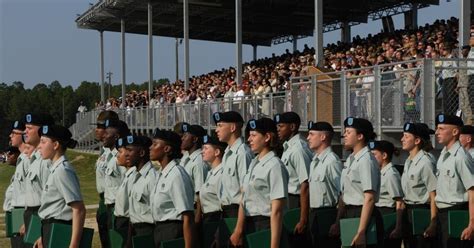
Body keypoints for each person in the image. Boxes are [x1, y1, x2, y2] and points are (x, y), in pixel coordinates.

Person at [230, 118, 289, 248]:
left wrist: (274, 246)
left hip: (266, 226)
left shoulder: (275, 166)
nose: (249, 139)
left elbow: (277, 210)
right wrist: (238, 230)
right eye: (249, 135)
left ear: (267, 137)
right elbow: (243, 199)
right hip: (250, 224)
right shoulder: (254, 163)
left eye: (254, 135)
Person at [34, 124, 85, 248]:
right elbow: (55, 208)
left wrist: (74, 245)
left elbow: (78, 209)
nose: (39, 146)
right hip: (51, 229)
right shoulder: (54, 169)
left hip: (60, 230)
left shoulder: (63, 170)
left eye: (43, 142)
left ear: (55, 145)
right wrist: (44, 236)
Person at [336, 117, 382, 248]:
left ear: (360, 136)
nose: (344, 135)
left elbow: (369, 198)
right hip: (350, 214)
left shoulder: (366, 160)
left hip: (363, 215)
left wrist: (361, 231)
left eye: (348, 132)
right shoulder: (351, 159)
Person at [434, 114, 474, 248]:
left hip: (457, 213)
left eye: (441, 129)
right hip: (442, 215)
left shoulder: (461, 157)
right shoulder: (444, 154)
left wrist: (471, 224)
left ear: (455, 132)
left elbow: (472, 192)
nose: (436, 132)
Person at [150, 129, 194, 248]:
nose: (151, 147)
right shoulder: (162, 173)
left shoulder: (176, 175)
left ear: (167, 149)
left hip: (173, 231)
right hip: (160, 229)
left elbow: (187, 215)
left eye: (155, 144)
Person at [274, 112, 312, 246]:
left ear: (292, 127)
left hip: (296, 201)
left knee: (296, 240)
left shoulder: (298, 149)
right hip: (288, 200)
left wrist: (303, 219)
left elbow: (305, 184)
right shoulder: (288, 147)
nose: (278, 129)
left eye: (281, 126)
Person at [400, 122, 438, 248]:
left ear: (417, 140)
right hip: (408, 212)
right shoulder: (408, 161)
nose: (402, 139)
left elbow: (434, 194)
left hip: (422, 212)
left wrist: (433, 222)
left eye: (406, 136)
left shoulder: (425, 162)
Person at [306, 121, 342, 248]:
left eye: (311, 134)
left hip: (328, 216)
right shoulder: (314, 161)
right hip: (314, 215)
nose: (308, 138)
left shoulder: (332, 161)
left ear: (323, 137)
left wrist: (337, 222)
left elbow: (342, 194)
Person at [22, 113, 55, 248]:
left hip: (40, 218)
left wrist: (43, 233)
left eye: (29, 128)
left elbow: (51, 199)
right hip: (33, 217)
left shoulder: (45, 161)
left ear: (42, 130)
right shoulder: (35, 158)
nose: (25, 131)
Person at [213, 111, 253, 218]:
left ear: (232, 128)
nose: (216, 130)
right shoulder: (227, 152)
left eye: (220, 126)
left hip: (237, 211)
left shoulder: (242, 153)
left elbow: (246, 192)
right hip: (226, 210)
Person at [369, 140, 404, 248]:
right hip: (378, 214)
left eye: (374, 154)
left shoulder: (390, 174)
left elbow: (399, 202)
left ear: (384, 155)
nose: (371, 158)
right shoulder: (378, 172)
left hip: (387, 215)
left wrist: (398, 227)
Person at [93, 110, 119, 248]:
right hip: (103, 200)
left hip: (115, 202)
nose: (96, 130)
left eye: (99, 127)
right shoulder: (105, 150)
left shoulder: (120, 151)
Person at [113, 136, 145, 248]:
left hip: (129, 223)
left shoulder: (135, 176)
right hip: (124, 222)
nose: (119, 155)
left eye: (122, 152)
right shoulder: (129, 175)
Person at [128, 132, 158, 238]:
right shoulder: (134, 176)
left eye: (130, 151)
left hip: (148, 231)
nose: (127, 154)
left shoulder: (152, 178)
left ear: (141, 153)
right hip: (134, 229)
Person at [103, 119, 130, 231]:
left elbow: (127, 185)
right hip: (110, 207)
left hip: (118, 209)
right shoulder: (110, 156)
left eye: (107, 133)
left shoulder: (122, 159)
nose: (103, 136)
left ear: (116, 137)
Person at [7, 120, 29, 248]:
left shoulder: (27, 160)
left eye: (14, 133)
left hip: (24, 218)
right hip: (17, 217)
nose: (11, 135)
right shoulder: (21, 159)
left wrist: (29, 222)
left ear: (24, 136)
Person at [196, 135, 226, 225]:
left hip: (217, 219)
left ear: (217, 152)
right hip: (208, 219)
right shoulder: (211, 173)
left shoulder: (222, 173)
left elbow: (223, 202)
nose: (202, 152)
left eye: (206, 148)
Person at [180, 123, 209, 205]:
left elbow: (200, 195)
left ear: (194, 139)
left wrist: (196, 218)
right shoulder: (186, 158)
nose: (182, 138)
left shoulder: (199, 162)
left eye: (185, 136)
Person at [3, 146, 21, 247]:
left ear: (19, 154)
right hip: (13, 219)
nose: (8, 155)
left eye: (11, 153)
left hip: (20, 220)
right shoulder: (17, 171)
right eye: (7, 153)